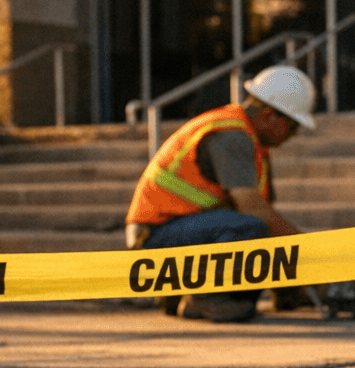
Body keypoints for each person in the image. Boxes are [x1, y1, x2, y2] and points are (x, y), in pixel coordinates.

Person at [124, 65, 315, 323]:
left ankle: (185, 296)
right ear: (271, 115)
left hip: (179, 232)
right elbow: (253, 210)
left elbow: (269, 226)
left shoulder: (252, 145)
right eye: (293, 127)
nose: (292, 136)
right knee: (249, 227)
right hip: (154, 239)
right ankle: (206, 299)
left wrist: (289, 285)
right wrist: (311, 256)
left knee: (255, 228)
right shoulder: (232, 135)